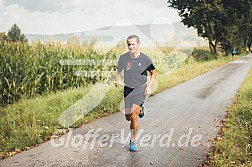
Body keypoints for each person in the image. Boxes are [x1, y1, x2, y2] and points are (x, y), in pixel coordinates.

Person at [115, 35, 156, 151]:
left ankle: (133, 140)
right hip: (128, 89)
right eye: (129, 44)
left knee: (133, 116)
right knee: (128, 117)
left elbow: (153, 73)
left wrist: (149, 87)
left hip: (140, 89)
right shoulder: (123, 58)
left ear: (138, 44)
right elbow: (119, 70)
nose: (131, 46)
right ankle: (141, 108)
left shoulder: (145, 59)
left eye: (133, 44)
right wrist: (118, 79)